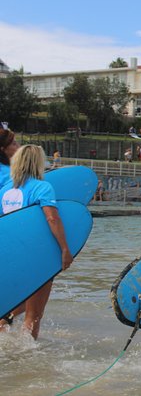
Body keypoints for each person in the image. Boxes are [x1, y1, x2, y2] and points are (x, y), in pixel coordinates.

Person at [0, 145, 73, 339]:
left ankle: (5, 324)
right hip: (36, 255)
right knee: (34, 314)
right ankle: (27, 355)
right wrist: (65, 249)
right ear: (37, 162)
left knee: (15, 300)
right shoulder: (42, 187)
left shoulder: (5, 189)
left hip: (10, 254)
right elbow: (52, 219)